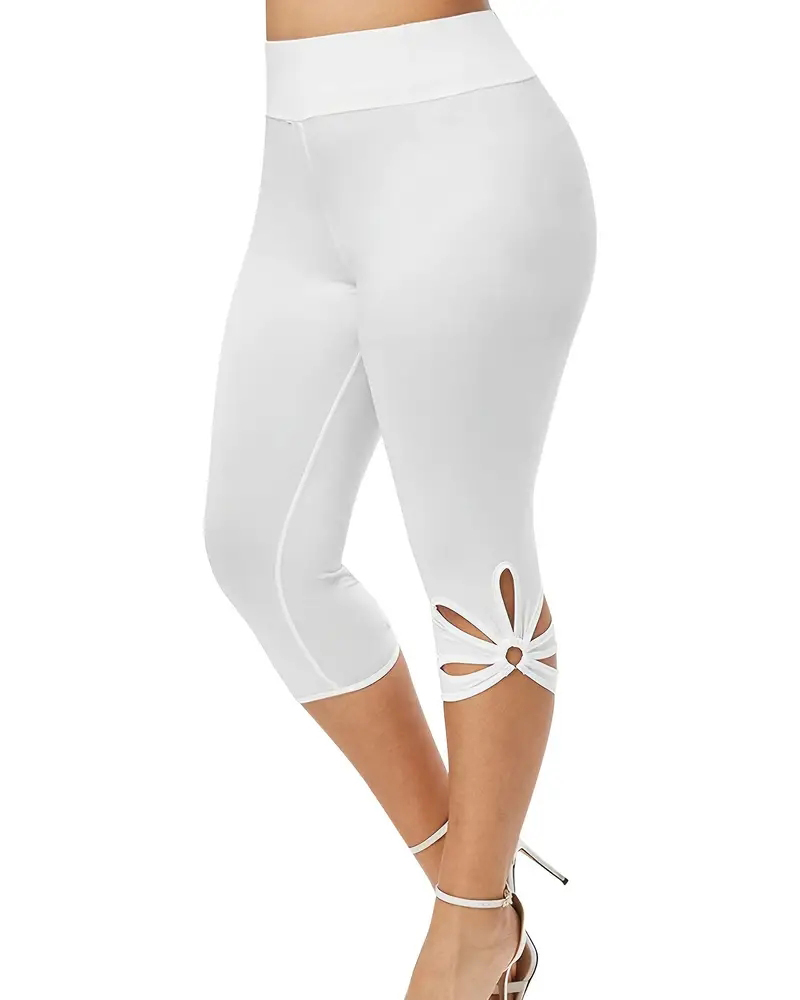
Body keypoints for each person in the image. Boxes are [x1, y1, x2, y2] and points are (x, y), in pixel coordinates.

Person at [204, 3, 595, 997]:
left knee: (472, 566)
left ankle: (465, 935)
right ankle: (477, 909)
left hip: (460, 140)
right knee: (259, 553)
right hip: (295, 167)